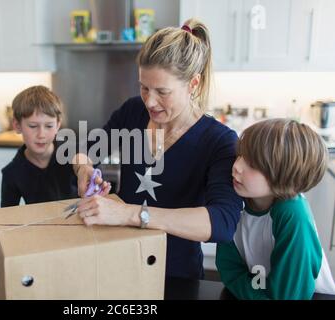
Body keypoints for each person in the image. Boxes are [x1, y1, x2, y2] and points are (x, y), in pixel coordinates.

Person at [71, 19, 243, 280]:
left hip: (175, 274)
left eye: (162, 91)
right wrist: (84, 168)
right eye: (144, 87)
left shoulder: (218, 141)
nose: (150, 101)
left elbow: (223, 222)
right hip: (119, 260)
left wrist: (129, 213)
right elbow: (85, 147)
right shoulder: (132, 112)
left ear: (193, 84)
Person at [216, 119, 335, 299]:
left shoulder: (292, 213)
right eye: (239, 155)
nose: (236, 166)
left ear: (286, 174)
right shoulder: (234, 203)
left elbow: (291, 294)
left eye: (253, 163)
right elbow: (229, 270)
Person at [0, 85, 81, 289]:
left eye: (49, 126)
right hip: (40, 243)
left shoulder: (74, 155)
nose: (41, 134)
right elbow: (5, 225)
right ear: (17, 125)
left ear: (59, 124)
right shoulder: (11, 173)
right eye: (33, 126)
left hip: (78, 238)